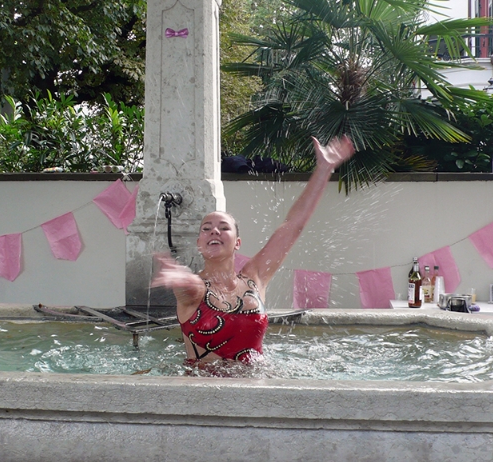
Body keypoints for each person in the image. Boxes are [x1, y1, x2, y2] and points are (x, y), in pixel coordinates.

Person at [151, 135, 355, 368]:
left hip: (256, 385)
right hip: (205, 391)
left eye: (223, 227)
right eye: (206, 229)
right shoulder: (195, 290)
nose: (214, 232)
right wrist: (177, 276)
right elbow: (188, 288)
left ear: (237, 242)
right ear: (199, 243)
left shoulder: (254, 278)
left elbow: (292, 227)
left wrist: (324, 169)